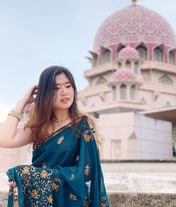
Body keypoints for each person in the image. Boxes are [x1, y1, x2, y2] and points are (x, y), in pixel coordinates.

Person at [0, 65, 109, 207]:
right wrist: (21, 103)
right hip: (39, 200)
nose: (64, 92)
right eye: (56, 88)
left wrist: (34, 175)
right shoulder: (40, 126)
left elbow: (88, 171)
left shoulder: (83, 125)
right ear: (46, 94)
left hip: (72, 199)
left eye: (68, 86)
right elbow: (5, 139)